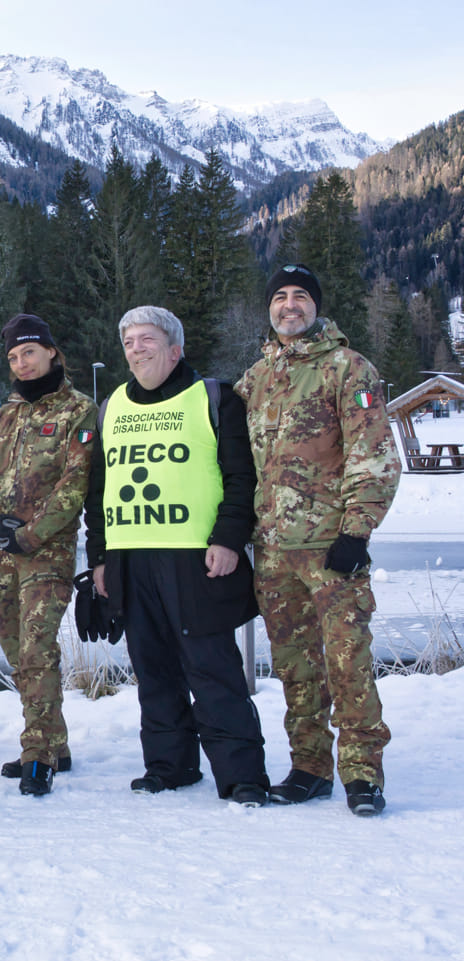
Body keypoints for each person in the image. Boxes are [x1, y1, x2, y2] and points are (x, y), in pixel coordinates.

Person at [85, 306, 269, 806]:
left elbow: (241, 477)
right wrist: (98, 557)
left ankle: (242, 775)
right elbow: (98, 489)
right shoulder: (111, 407)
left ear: (175, 348)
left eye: (147, 339)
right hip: (130, 557)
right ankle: (170, 765)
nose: (137, 349)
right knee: (153, 668)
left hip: (194, 558)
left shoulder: (213, 398)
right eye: (129, 342)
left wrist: (230, 539)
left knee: (211, 668)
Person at [235, 265, 402, 817]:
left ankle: (362, 773)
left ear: (316, 306)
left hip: (333, 549)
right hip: (275, 552)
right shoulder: (255, 379)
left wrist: (356, 531)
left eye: (300, 296)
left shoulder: (347, 369)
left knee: (347, 661)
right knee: (295, 666)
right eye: (279, 297)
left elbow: (374, 453)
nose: (289, 305)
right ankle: (309, 767)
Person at [0, 314, 97, 795]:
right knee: (20, 657)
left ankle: (37, 753)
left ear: (52, 353)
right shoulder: (6, 413)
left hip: (46, 555)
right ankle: (55, 742)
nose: (22, 363)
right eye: (14, 357)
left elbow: (74, 486)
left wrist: (29, 535)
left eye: (30, 353)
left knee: (37, 649)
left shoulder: (78, 410)